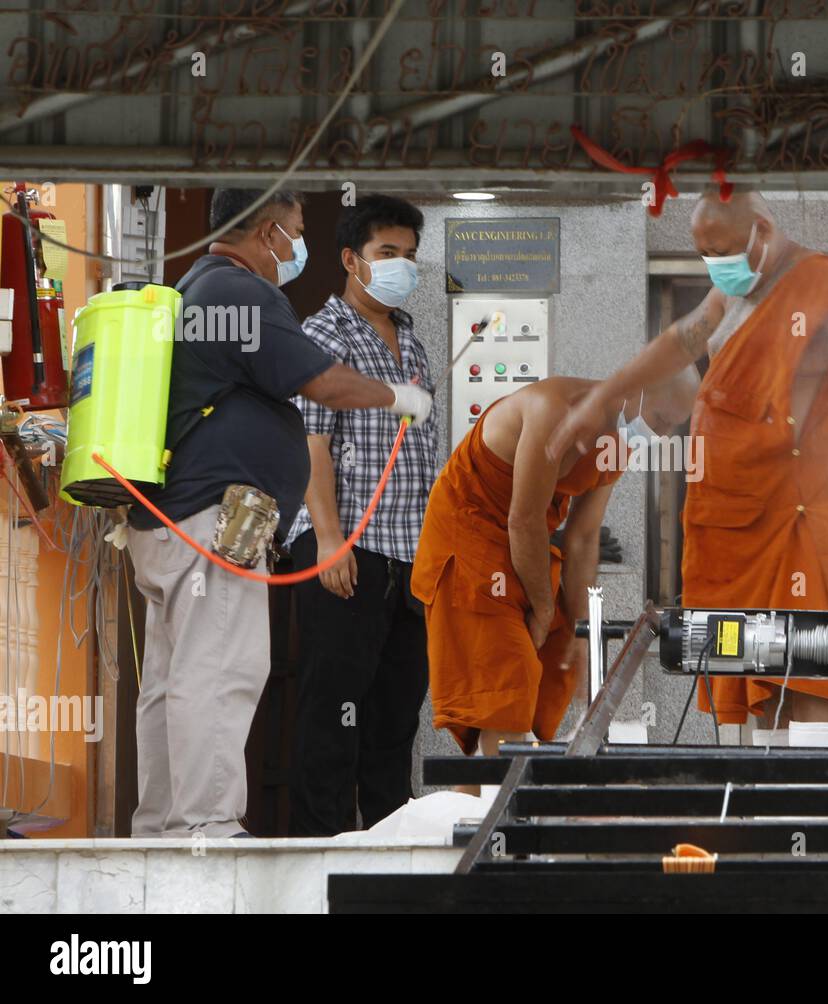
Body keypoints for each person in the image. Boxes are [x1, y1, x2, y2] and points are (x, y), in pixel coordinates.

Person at [545, 187, 828, 747]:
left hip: (798, 531)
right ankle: (760, 823)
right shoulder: (729, 293)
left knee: (811, 690)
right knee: (753, 702)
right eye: (701, 252)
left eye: (720, 248)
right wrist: (604, 397)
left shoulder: (817, 279)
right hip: (733, 531)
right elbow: (680, 340)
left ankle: (802, 827)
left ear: (762, 232)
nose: (712, 263)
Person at [126, 188, 432, 838]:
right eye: (295, 232)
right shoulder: (240, 292)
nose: (299, 247)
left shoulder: (197, 290)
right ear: (267, 232)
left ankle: (162, 828)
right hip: (210, 521)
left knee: (172, 678)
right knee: (218, 668)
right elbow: (320, 381)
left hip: (177, 522)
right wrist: (396, 396)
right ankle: (206, 827)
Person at [411, 373, 694, 782]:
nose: (661, 433)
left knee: (557, 659)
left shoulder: (620, 439)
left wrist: (581, 629)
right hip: (471, 535)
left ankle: (482, 799)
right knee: (508, 674)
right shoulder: (555, 408)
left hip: (528, 544)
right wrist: (542, 606)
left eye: (673, 426)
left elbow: (582, 537)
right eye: (662, 418)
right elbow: (523, 519)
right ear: (634, 393)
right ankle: (509, 812)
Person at [285, 195, 438, 835]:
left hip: (411, 557)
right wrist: (328, 540)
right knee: (332, 716)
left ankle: (386, 861)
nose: (401, 266)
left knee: (394, 721)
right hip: (346, 549)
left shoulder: (415, 344)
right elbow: (311, 440)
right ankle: (315, 861)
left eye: (408, 255)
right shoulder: (322, 337)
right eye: (387, 254)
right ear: (352, 259)